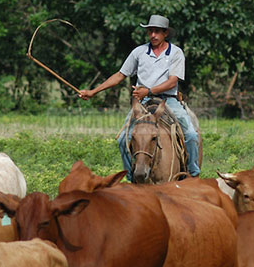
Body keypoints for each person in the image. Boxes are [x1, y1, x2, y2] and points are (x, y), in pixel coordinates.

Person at [78, 14, 200, 179]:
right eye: (150, 31)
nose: (153, 35)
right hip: (142, 102)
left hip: (169, 100)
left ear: (165, 33)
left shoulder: (176, 53)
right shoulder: (139, 52)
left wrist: (149, 90)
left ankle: (192, 174)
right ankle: (132, 177)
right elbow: (120, 75)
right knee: (123, 139)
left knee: (191, 135)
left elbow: (172, 82)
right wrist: (93, 92)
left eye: (157, 32)